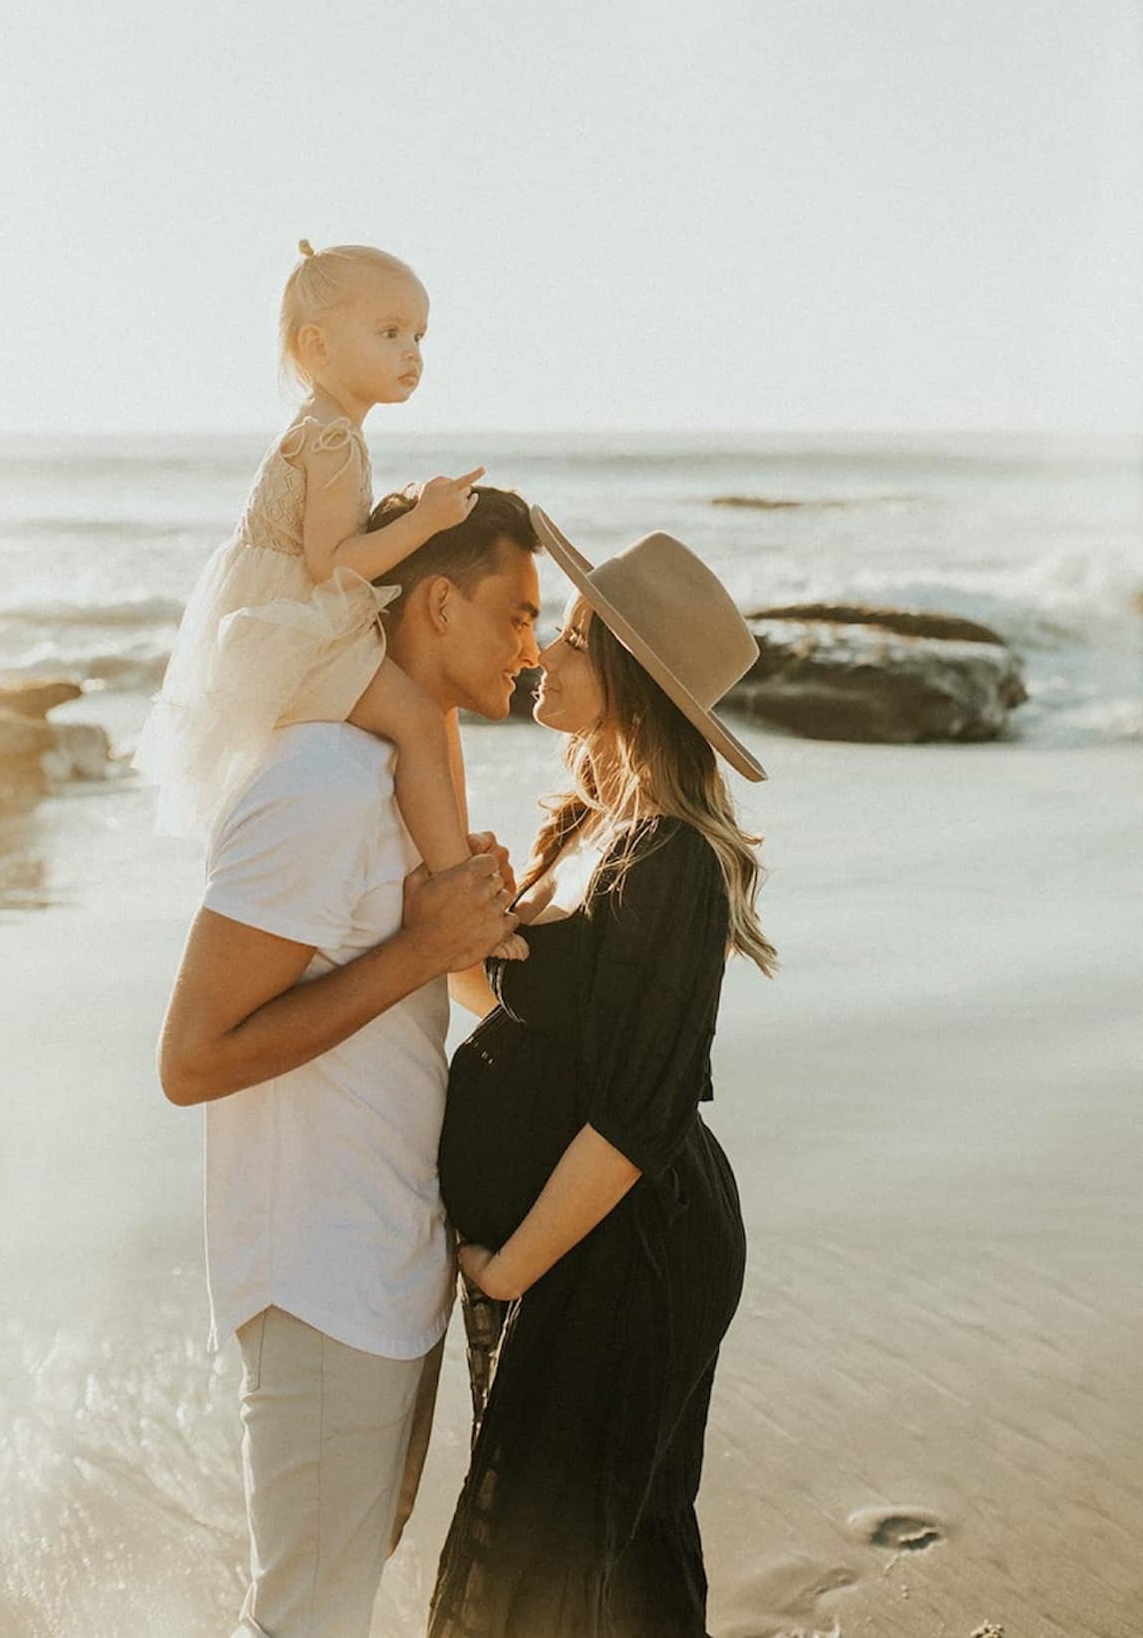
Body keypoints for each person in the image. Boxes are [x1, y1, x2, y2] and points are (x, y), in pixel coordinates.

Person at [157, 484, 541, 1638]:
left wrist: (472, 942)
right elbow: (191, 1057)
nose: (530, 645)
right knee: (305, 1621)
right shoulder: (318, 782)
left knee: (333, 1601)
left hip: (389, 1267)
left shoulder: (402, 788)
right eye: (515, 614)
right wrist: (426, 941)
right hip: (320, 1279)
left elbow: (444, 993)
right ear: (434, 604)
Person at [430, 512, 778, 1638]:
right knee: (607, 1554)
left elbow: (635, 1113)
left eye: (574, 636)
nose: (542, 651)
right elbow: (534, 1030)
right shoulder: (585, 822)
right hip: (574, 1237)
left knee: (552, 1556)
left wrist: (503, 1272)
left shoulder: (670, 860)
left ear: (627, 675)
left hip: (631, 1248)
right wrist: (472, 935)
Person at [135, 242, 521, 959]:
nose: (411, 352)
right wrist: (426, 521)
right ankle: (462, 897)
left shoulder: (320, 427)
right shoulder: (335, 439)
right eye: (389, 333)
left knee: (412, 714)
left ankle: (451, 866)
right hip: (297, 628)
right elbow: (332, 566)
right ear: (316, 345)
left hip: (277, 622)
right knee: (415, 720)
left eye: (418, 336)